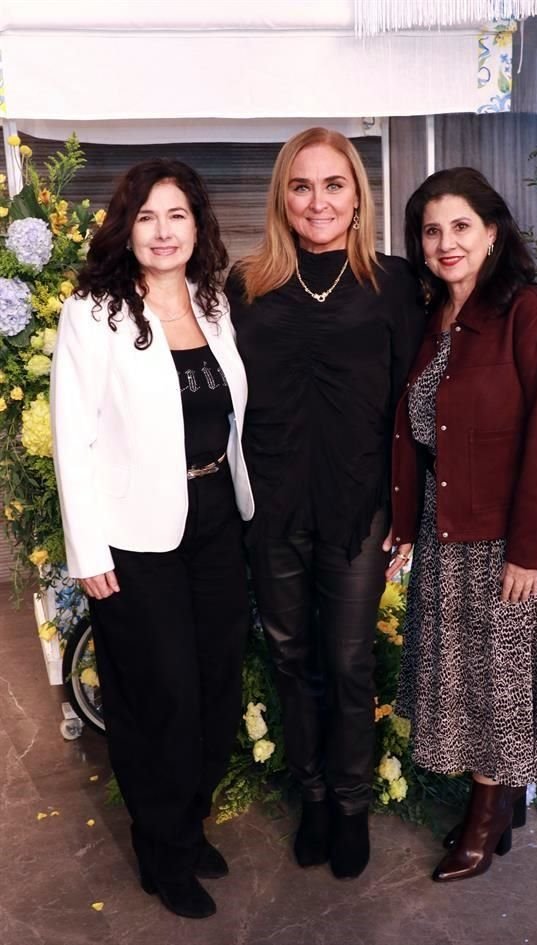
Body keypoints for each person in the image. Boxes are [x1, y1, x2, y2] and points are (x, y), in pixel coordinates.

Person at [50, 159, 254, 919]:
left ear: (197, 224)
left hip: (214, 518)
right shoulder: (92, 313)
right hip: (135, 535)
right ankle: (160, 847)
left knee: (215, 683)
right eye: (146, 216)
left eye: (177, 215)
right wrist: (89, 550)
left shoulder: (213, 303)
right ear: (125, 227)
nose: (163, 231)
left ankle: (188, 820)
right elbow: (75, 438)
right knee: (158, 692)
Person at [226, 127, 423, 879]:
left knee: (345, 660)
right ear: (282, 195)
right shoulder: (247, 284)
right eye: (302, 185)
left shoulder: (394, 282)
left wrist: (408, 512)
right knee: (291, 655)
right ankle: (309, 794)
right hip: (270, 506)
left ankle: (349, 802)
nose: (318, 201)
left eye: (333, 184)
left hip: (358, 504)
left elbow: (411, 402)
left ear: (357, 194)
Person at [387, 166, 537, 883]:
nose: (445, 242)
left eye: (461, 226)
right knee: (462, 675)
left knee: (497, 682)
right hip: (444, 526)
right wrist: (406, 523)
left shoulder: (530, 315)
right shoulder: (433, 318)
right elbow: (417, 432)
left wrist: (532, 549)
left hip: (505, 538)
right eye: (432, 230)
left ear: (493, 232)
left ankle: (486, 818)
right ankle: (487, 804)